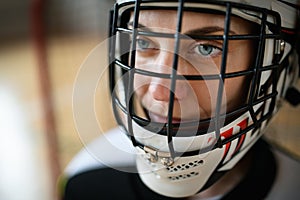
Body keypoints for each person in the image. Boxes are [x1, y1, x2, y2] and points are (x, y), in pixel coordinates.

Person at [60, 0, 300, 199]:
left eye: (206, 48)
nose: (159, 91)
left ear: (276, 67)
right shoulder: (89, 178)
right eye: (143, 42)